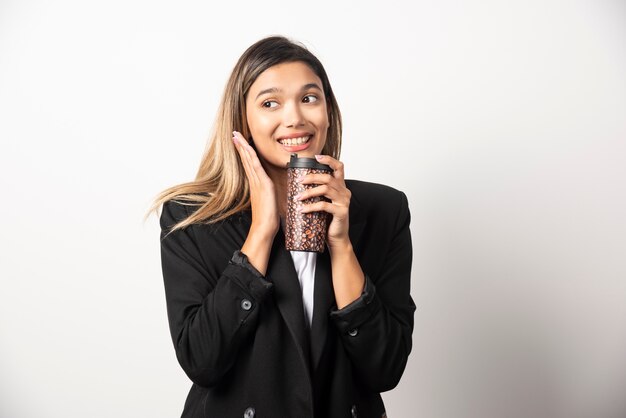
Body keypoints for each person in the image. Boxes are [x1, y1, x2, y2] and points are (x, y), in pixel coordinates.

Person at [154, 36, 415, 418]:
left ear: (328, 111)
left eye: (309, 98)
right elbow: (202, 360)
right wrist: (261, 230)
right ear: (242, 119)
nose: (294, 118)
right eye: (270, 103)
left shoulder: (383, 210)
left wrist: (341, 244)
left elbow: (385, 369)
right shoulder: (192, 217)